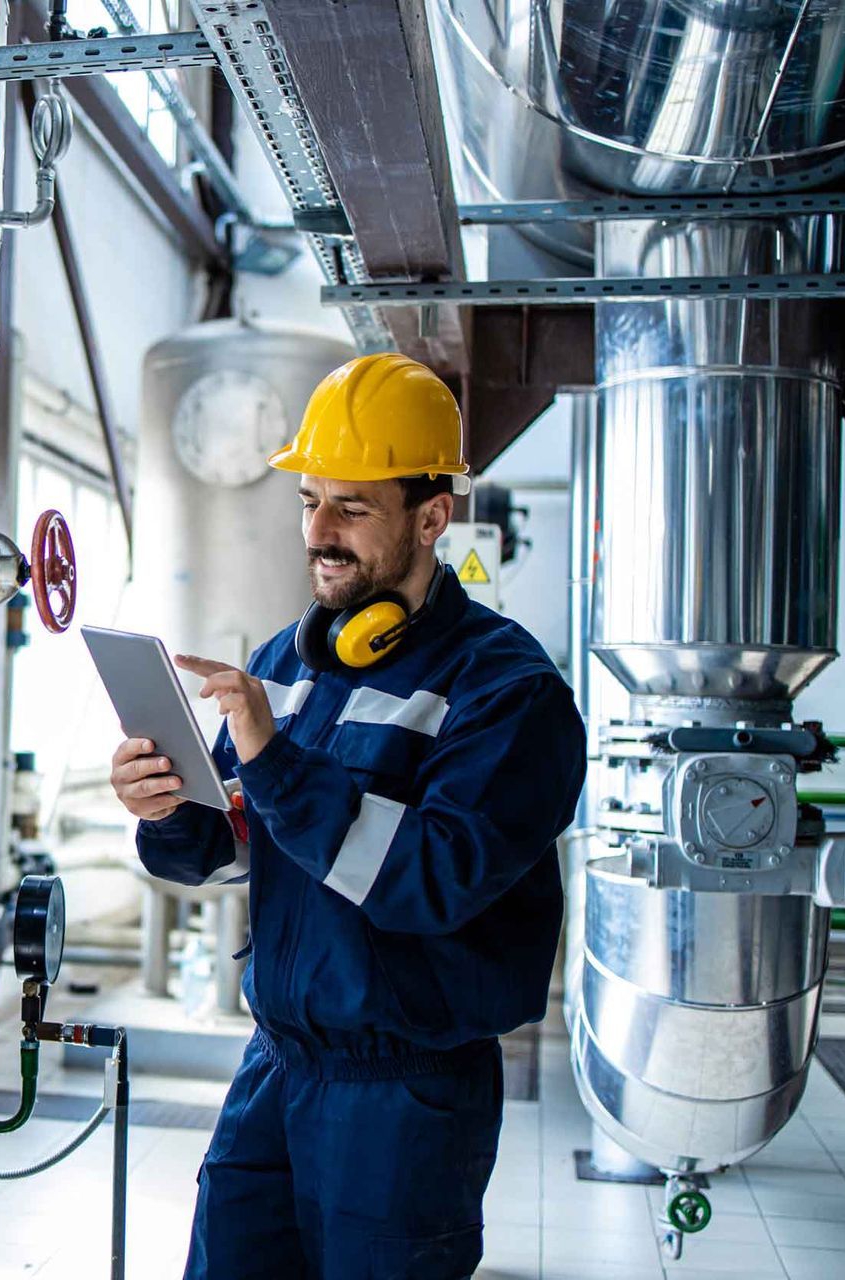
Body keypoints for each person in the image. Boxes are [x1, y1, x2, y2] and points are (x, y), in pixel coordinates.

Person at [110, 353, 586, 1279]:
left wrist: (276, 759)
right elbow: (222, 849)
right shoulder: (286, 662)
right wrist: (165, 807)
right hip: (277, 1070)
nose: (318, 532)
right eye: (309, 500)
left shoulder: (508, 692)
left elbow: (430, 880)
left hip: (406, 1096)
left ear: (432, 516)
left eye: (353, 508)